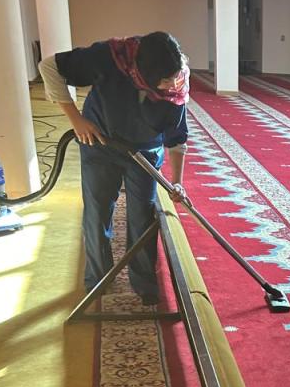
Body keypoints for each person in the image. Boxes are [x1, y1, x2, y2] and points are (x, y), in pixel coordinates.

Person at [39, 32, 189, 304]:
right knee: (97, 214)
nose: (171, 85)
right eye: (164, 82)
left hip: (145, 151)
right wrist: (75, 119)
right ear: (141, 73)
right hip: (101, 143)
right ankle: (97, 280)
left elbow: (177, 138)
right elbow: (48, 67)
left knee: (143, 216)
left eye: (173, 78)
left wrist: (177, 183)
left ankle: (144, 283)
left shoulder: (176, 84)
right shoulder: (110, 57)